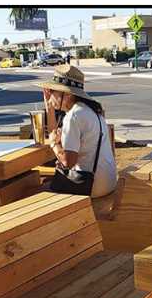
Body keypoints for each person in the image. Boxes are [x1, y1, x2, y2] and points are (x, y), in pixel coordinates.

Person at [41, 65, 117, 198]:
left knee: (35, 192)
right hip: (107, 181)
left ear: (68, 94)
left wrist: (54, 144)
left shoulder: (74, 116)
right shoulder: (90, 110)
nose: (49, 95)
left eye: (52, 91)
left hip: (91, 186)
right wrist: (49, 108)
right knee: (47, 182)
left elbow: (67, 162)